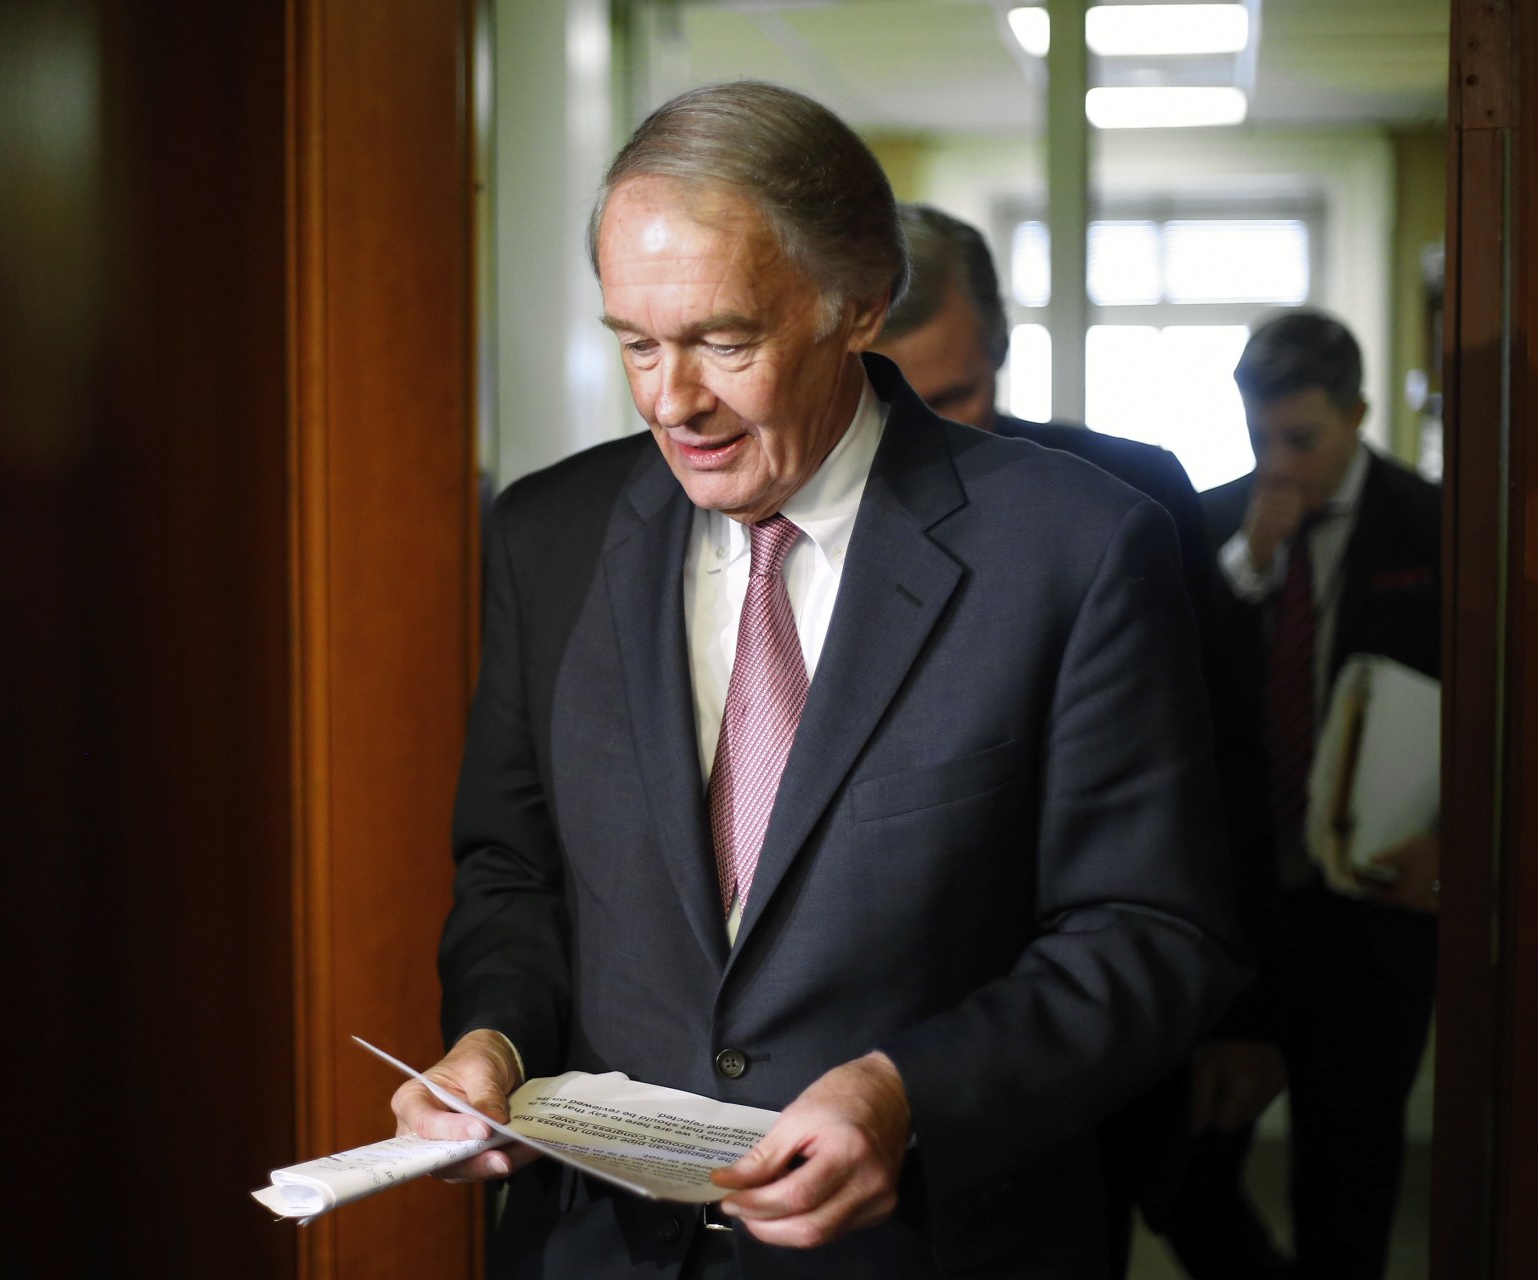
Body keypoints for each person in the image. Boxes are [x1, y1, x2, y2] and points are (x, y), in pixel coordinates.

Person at [392, 81, 1248, 1278]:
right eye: (636, 342)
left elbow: (1149, 930)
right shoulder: (550, 536)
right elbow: (514, 871)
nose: (672, 400)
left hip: (925, 1244)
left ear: (859, 304)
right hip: (600, 1248)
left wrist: (908, 1092)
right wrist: (492, 1036)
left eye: (724, 341)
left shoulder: (1075, 546)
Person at [871, 204, 1288, 1273]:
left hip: (1080, 1045)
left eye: (953, 395)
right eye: (885, 396)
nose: (920, 437)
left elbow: (1227, 766)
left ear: (1002, 353)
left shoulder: (1124, 497)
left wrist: (1250, 1012)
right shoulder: (777, 518)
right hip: (852, 1053)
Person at [1154, 311, 1441, 1279]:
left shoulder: (1436, 525)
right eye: (1259, 436)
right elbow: (1179, 703)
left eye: (1303, 439)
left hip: (1367, 908)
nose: (1280, 462)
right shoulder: (1208, 523)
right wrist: (1251, 567)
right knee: (1183, 1169)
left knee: (1348, 1188)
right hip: (1236, 899)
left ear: (1359, 413)